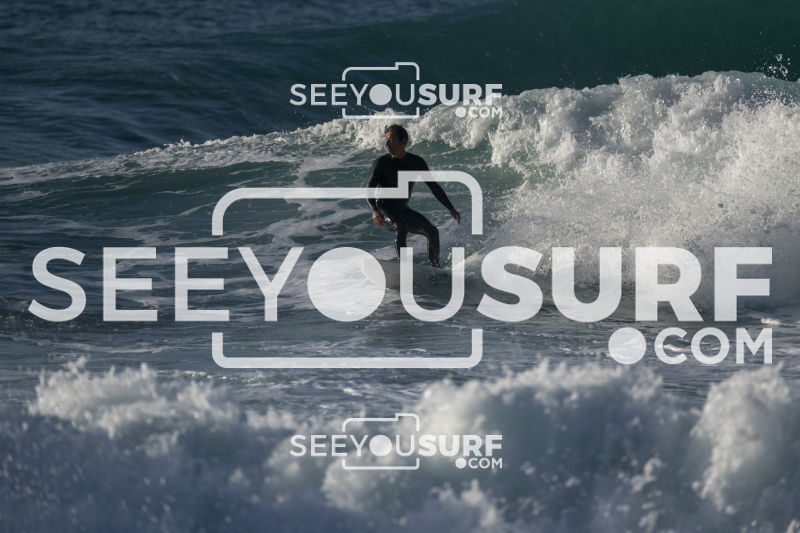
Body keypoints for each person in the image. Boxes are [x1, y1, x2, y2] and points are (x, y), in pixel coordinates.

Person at [366, 124, 461, 268]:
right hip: (384, 209)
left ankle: (436, 269)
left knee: (432, 231)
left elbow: (433, 186)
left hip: (403, 209)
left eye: (391, 140)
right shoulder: (381, 163)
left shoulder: (416, 162)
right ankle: (403, 267)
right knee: (401, 224)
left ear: (403, 142)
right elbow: (369, 190)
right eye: (386, 139)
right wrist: (374, 210)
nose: (386, 143)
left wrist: (450, 208)